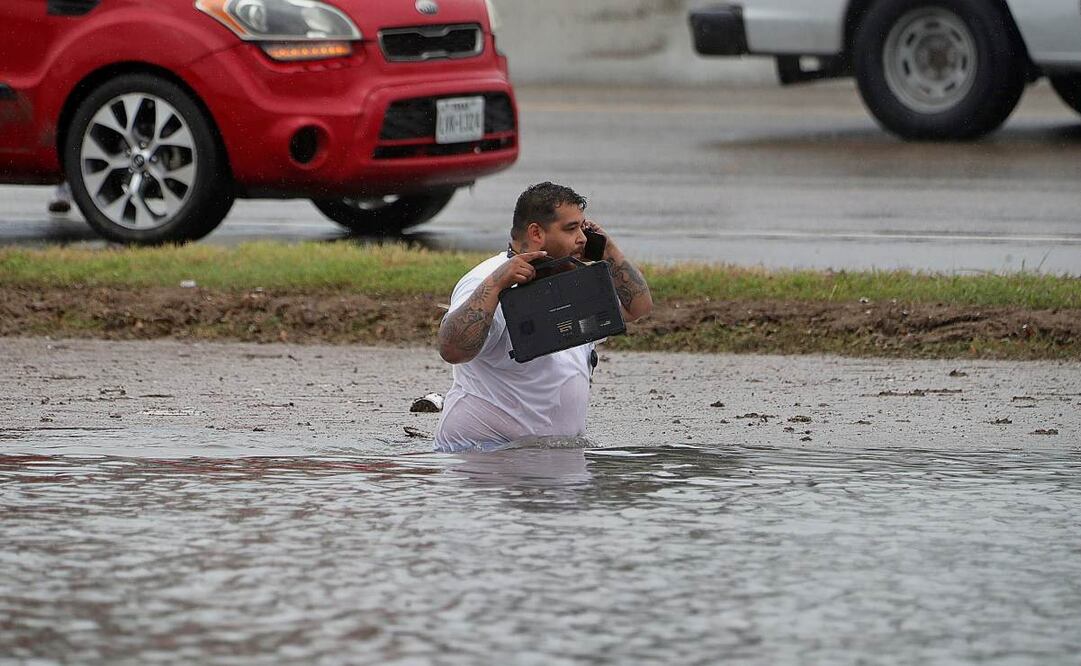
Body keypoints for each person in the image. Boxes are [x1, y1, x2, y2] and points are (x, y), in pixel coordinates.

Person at [434, 182, 653, 452]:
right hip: (481, 459)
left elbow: (637, 308)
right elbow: (452, 349)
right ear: (536, 232)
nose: (582, 239)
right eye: (571, 229)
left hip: (554, 462)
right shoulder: (485, 278)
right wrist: (496, 284)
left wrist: (608, 251)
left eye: (582, 228)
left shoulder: (575, 278)